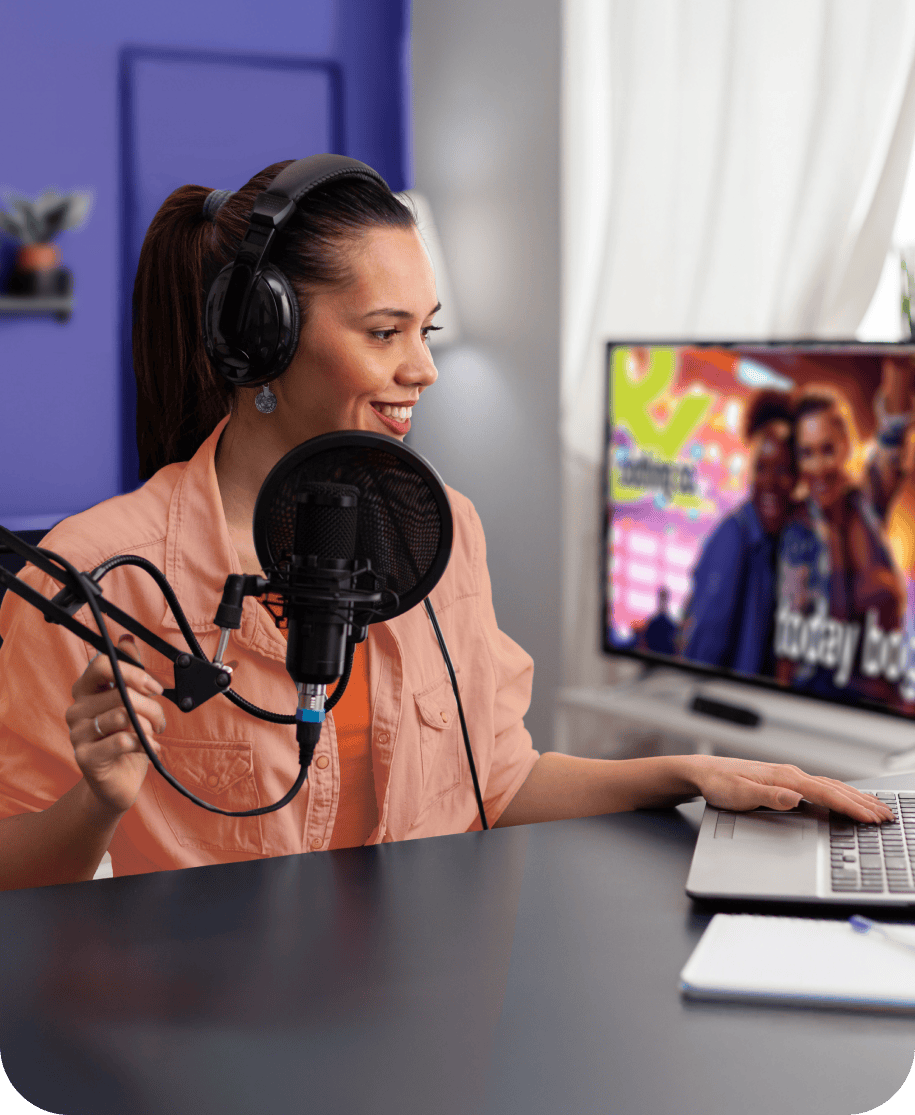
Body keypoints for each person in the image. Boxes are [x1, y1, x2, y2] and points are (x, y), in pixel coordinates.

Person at [0, 157, 891, 891]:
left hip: (428, 1023)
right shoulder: (94, 575)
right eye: (386, 332)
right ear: (260, 341)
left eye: (425, 330)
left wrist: (684, 774)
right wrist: (95, 804)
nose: (423, 369)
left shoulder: (443, 530)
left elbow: (496, 780)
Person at [778, 364, 913, 702]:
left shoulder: (865, 501)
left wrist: (898, 364)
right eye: (807, 454)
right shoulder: (790, 524)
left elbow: (892, 435)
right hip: (805, 695)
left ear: (845, 447)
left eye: (828, 449)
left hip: (872, 695)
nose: (819, 466)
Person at [680, 391, 797, 676]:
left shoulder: (781, 543)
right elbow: (701, 660)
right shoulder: (733, 540)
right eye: (761, 469)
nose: (770, 482)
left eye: (783, 469)